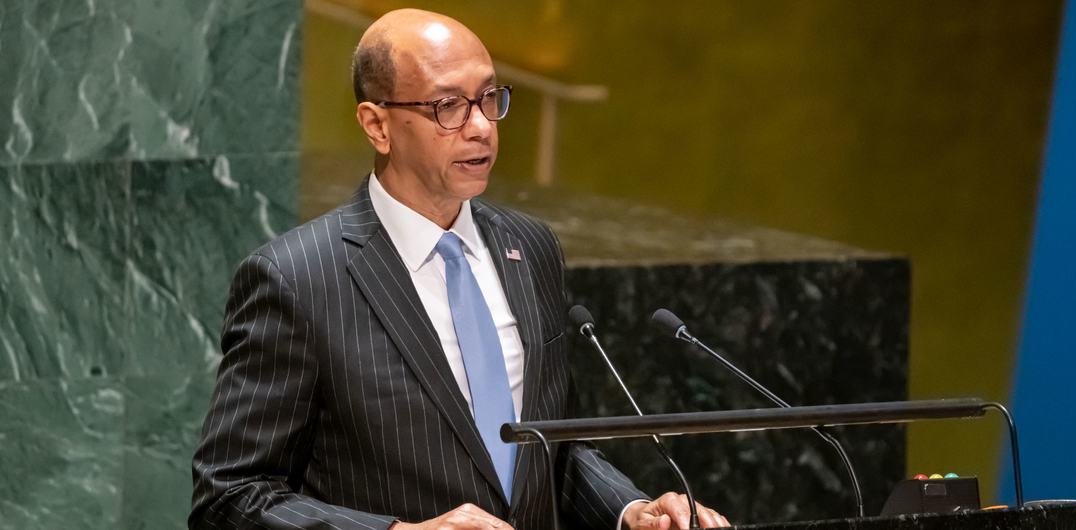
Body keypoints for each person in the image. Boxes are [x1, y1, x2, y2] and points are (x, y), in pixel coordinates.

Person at [189, 8, 729, 530]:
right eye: (448, 106)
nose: (481, 128)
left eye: (490, 98)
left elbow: (551, 450)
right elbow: (230, 496)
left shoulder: (530, 247)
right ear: (377, 125)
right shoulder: (296, 279)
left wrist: (629, 511)